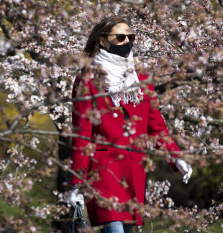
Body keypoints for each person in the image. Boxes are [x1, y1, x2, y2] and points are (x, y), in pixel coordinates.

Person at [67, 16, 192, 233]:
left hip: (134, 170)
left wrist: (176, 157)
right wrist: (77, 182)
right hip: (104, 171)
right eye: (120, 37)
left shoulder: (140, 78)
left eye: (130, 37)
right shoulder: (87, 80)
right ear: (103, 41)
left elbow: (156, 126)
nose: (127, 42)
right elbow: (82, 136)